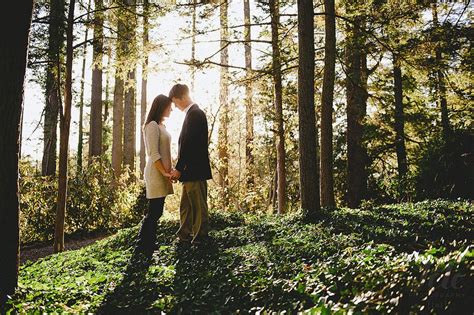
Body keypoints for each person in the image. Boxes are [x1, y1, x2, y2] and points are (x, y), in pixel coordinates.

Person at [169, 83, 212, 245]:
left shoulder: (196, 114)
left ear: (184, 97)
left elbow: (190, 144)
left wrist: (179, 168)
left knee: (198, 206)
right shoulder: (191, 114)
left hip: (195, 170)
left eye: (176, 101)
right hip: (189, 171)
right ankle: (184, 235)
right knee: (186, 206)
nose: (175, 106)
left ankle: (201, 237)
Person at [135, 94, 174, 255]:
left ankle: (148, 244)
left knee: (157, 211)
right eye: (168, 106)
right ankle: (142, 246)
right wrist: (164, 172)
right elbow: (154, 153)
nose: (171, 109)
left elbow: (166, 152)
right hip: (156, 173)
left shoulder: (161, 126)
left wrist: (170, 171)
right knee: (154, 211)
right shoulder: (151, 126)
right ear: (161, 107)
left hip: (163, 173)